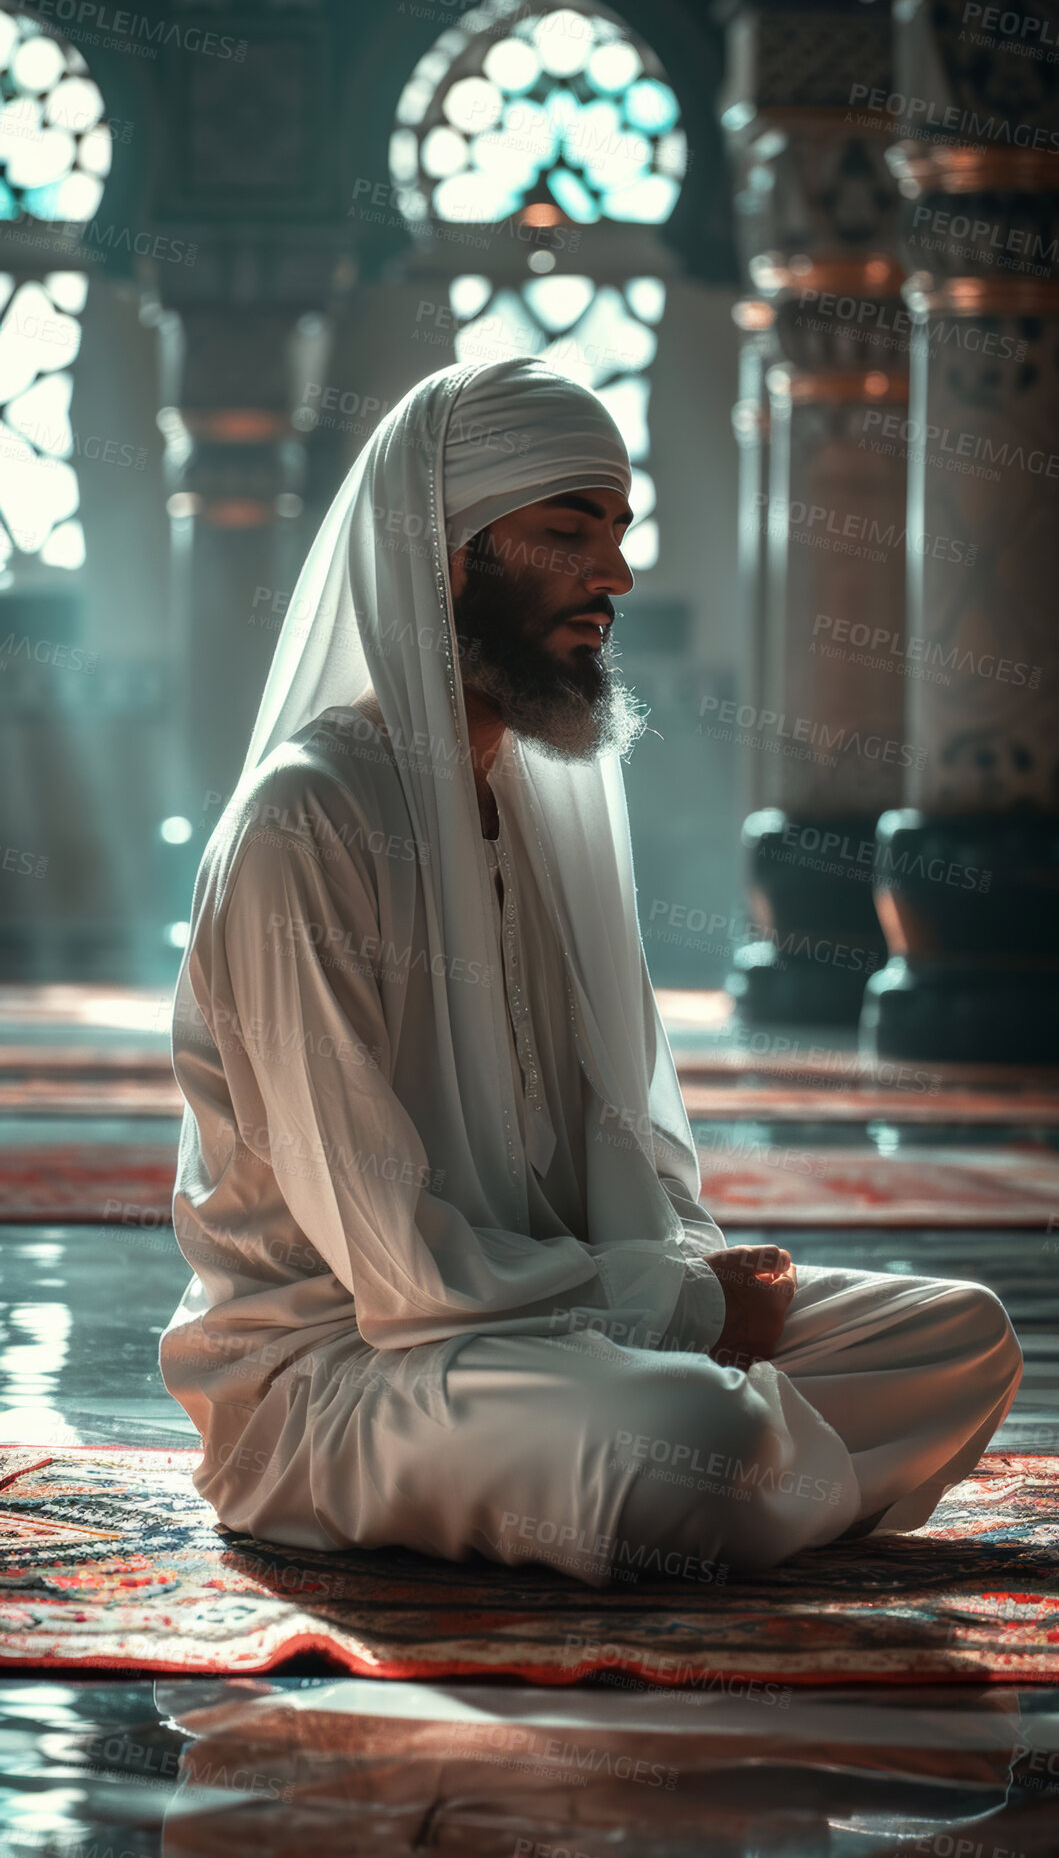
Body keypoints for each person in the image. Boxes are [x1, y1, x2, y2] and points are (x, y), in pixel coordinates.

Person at [159, 357, 1023, 1587]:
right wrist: (687, 1314)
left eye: (619, 531)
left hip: (556, 1331)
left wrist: (679, 1293)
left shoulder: (531, 797)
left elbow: (635, 1169)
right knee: (698, 1429)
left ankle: (740, 1485)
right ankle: (737, 1477)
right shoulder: (311, 819)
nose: (614, 577)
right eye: (569, 533)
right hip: (345, 1374)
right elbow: (401, 1268)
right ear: (446, 556)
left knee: (962, 1339)